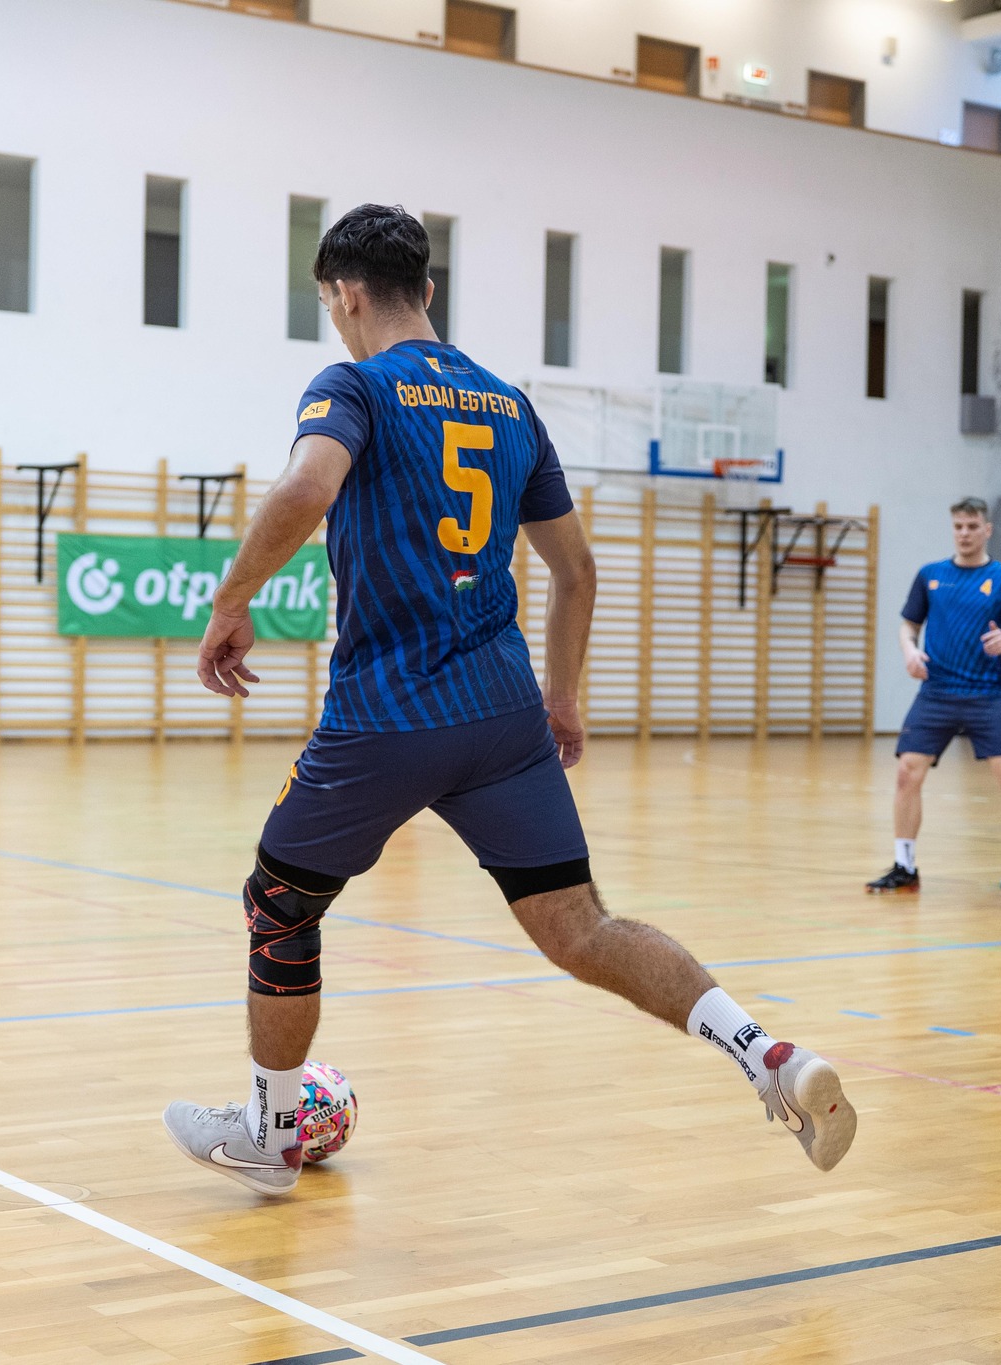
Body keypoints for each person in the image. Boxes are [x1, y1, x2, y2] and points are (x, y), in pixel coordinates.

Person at [161, 204, 855, 1196]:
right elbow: (576, 570)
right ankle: (768, 1056)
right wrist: (561, 698)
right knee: (582, 928)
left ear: (346, 295)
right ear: (426, 289)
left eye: (329, 304)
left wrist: (231, 600)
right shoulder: (508, 404)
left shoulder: (352, 387)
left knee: (278, 906)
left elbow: (308, 487)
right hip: (502, 713)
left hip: (389, 711)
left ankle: (272, 1136)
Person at [866, 497, 1001, 899]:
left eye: (973, 526)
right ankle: (904, 866)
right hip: (936, 692)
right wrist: (910, 651)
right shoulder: (930, 575)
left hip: (986, 694)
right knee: (907, 772)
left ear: (987, 530)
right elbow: (907, 625)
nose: (965, 533)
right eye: (959, 526)